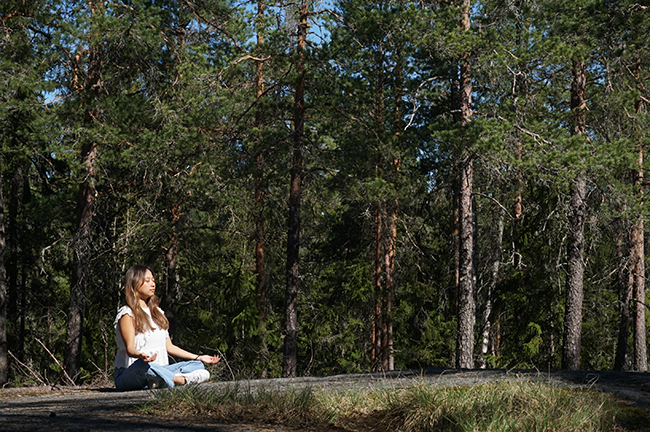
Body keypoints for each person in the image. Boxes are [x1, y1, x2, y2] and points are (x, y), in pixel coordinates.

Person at [113, 265, 220, 391]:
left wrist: (199, 357)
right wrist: (141, 355)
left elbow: (169, 347)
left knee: (198, 365)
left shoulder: (157, 313)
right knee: (143, 366)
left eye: (153, 280)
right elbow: (130, 349)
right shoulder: (127, 313)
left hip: (160, 370)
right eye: (147, 281)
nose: (152, 284)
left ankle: (159, 380)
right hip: (130, 373)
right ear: (134, 283)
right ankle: (179, 380)